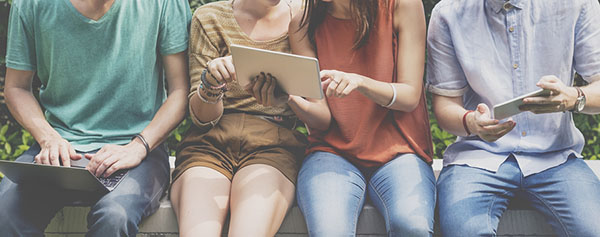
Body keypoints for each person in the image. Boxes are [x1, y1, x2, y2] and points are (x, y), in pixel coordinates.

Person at [0, 0, 191, 235]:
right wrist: (48, 138)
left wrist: (138, 147)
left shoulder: (164, 4)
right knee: (5, 212)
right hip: (60, 149)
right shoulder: (31, 5)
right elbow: (16, 88)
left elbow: (181, 92)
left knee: (115, 217)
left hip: (139, 153)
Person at [427, 0, 600, 236]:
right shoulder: (448, 12)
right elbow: (445, 106)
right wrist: (470, 122)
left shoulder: (577, 4)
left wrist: (574, 97)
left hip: (557, 157)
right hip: (478, 158)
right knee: (463, 231)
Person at [169, 0, 328, 236]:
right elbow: (201, 118)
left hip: (273, 147)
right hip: (209, 145)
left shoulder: (302, 20)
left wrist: (288, 98)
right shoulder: (209, 18)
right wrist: (211, 84)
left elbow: (321, 119)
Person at [289, 0, 435, 236]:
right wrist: (289, 98)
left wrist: (360, 82)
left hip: (399, 150)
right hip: (331, 152)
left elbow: (409, 95)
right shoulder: (303, 21)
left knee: (412, 227)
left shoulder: (402, 5)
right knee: (330, 231)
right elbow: (322, 118)